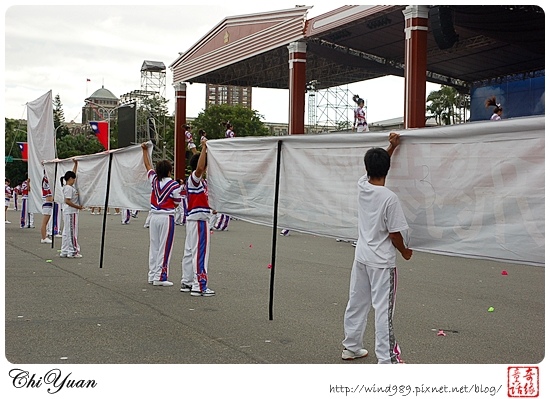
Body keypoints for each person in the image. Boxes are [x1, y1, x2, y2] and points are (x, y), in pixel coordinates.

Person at [341, 132, 412, 364]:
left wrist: (390, 148)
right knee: (383, 311)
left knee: (357, 302)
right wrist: (405, 251)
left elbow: (378, 167)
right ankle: (387, 360)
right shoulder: (389, 198)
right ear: (388, 168)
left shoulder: (362, 186)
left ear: (366, 168)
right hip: (382, 263)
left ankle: (351, 347)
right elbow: (394, 233)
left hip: (361, 257)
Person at [141, 142, 181, 287]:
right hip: (166, 217)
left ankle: (152, 275)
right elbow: (177, 202)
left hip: (153, 216)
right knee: (165, 246)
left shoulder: (154, 180)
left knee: (154, 246)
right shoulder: (173, 185)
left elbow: (147, 166)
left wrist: (144, 151)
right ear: (170, 171)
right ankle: (161, 276)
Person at [181, 136, 215, 297]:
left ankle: (187, 281)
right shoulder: (195, 179)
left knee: (190, 251)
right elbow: (200, 167)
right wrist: (204, 149)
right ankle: (199, 285)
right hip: (198, 220)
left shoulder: (201, 183)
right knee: (200, 252)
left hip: (194, 219)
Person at [60, 159, 83, 258]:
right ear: (70, 179)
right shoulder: (69, 188)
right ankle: (73, 251)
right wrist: (78, 207)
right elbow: (67, 201)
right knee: (72, 232)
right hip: (71, 212)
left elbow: (73, 173)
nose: (74, 181)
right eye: (73, 179)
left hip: (67, 212)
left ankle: (65, 250)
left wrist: (76, 164)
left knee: (66, 232)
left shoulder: (67, 186)